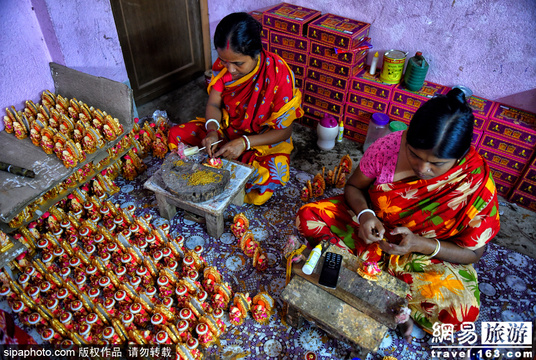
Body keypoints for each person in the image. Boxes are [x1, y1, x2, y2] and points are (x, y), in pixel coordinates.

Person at [295, 88, 500, 342]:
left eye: (437, 164)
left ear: (459, 157)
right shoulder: (388, 147)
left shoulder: (474, 179)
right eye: (414, 154)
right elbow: (353, 187)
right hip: (373, 233)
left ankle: (371, 283)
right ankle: (387, 295)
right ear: (406, 139)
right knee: (309, 216)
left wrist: (419, 244)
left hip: (424, 256)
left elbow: (473, 253)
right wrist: (366, 215)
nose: (423, 169)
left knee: (459, 313)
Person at [168, 12, 303, 205]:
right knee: (175, 135)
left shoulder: (278, 74)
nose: (229, 69)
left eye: (238, 63)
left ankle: (221, 169)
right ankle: (221, 166)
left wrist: (245, 143)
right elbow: (214, 104)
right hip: (226, 131)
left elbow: (285, 131)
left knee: (264, 180)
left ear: (256, 53)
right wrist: (212, 131)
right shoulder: (222, 68)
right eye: (224, 61)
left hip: (260, 141)